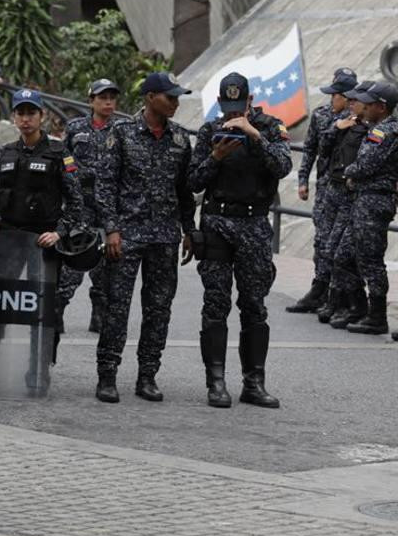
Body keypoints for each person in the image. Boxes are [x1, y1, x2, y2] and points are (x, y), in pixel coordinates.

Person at [189, 72, 292, 409]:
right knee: (215, 304)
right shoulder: (210, 132)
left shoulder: (271, 126)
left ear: (250, 101)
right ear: (220, 103)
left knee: (254, 305)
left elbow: (283, 166)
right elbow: (192, 181)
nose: (234, 112)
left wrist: (256, 137)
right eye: (228, 106)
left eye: (240, 105)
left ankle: (254, 382)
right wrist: (215, 156)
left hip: (254, 225)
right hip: (218, 223)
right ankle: (216, 382)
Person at [94, 72, 195, 403]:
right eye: (171, 97)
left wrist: (189, 229)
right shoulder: (120, 134)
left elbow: (184, 192)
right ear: (151, 97)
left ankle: (147, 375)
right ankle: (107, 375)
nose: (176, 103)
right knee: (116, 307)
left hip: (164, 237)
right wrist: (111, 228)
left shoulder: (180, 139)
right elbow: (105, 184)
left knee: (158, 309)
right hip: (127, 235)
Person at [0, 88, 83, 384]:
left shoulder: (59, 152)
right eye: (20, 113)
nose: (26, 119)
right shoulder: (5, 152)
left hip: (42, 243)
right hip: (8, 240)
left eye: (31, 113)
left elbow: (76, 203)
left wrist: (58, 233)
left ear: (42, 116)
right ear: (13, 117)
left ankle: (37, 372)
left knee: (40, 310)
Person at [287, 67, 357, 313]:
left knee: (339, 244)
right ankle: (320, 289)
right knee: (321, 240)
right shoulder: (321, 115)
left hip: (348, 190)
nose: (332, 100)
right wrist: (304, 179)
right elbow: (311, 149)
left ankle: (338, 295)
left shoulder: (360, 118)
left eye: (336, 95)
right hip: (325, 186)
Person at [332, 82, 398, 335]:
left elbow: (364, 166)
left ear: (381, 108)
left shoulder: (385, 132)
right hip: (363, 199)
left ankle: (377, 315)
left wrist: (349, 172)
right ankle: (358, 308)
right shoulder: (375, 129)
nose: (364, 107)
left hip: (374, 201)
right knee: (345, 256)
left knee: (371, 261)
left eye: (369, 104)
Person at [60, 78, 120, 332]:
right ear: (91, 100)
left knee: (106, 267)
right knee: (70, 266)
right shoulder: (75, 128)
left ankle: (100, 316)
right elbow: (62, 160)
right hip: (79, 206)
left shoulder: (123, 129)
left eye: (111, 97)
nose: (107, 102)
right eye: (102, 97)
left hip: (110, 208)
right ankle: (57, 310)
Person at [317, 81, 372, 326]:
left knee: (341, 252)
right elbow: (324, 149)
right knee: (328, 247)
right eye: (348, 100)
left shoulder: (372, 129)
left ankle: (353, 304)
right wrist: (336, 128)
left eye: (354, 101)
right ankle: (337, 300)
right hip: (335, 189)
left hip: (353, 195)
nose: (350, 104)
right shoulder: (345, 124)